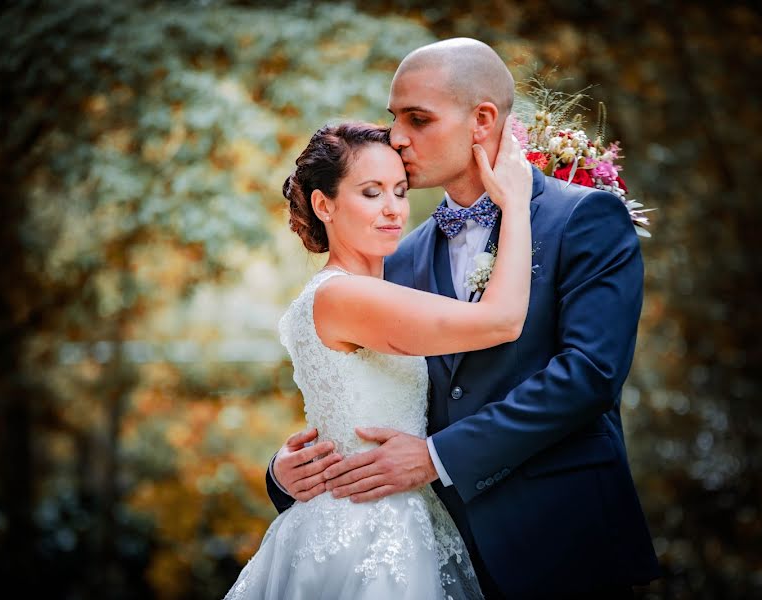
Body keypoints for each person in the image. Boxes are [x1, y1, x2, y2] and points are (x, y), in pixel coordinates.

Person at [266, 38, 661, 599]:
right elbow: (368, 395)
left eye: (418, 119)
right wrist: (283, 477)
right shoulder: (397, 259)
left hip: (565, 542)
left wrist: (436, 457)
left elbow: (590, 376)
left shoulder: (583, 217)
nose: (397, 137)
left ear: (481, 120)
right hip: (436, 553)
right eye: (394, 118)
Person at [224, 117, 533, 600]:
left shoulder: (379, 289)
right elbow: (502, 322)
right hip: (365, 528)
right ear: (323, 204)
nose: (393, 210)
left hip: (399, 515)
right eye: (371, 193)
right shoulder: (344, 298)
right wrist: (516, 204)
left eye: (400, 191)